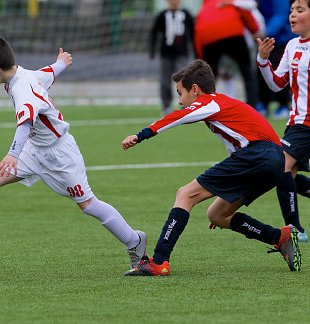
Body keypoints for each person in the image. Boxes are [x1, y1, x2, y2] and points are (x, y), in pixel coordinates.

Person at [0, 36, 147, 270]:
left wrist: (13, 154)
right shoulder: (25, 75)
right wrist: (61, 62)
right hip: (35, 149)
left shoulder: (22, 90)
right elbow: (49, 73)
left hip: (60, 156)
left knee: (88, 205)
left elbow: (25, 124)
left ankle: (134, 241)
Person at [121, 59, 301, 276]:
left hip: (259, 155)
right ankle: (278, 237)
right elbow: (238, 147)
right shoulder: (224, 106)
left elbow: (179, 116)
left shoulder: (209, 101)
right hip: (274, 160)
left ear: (195, 90)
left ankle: (159, 262)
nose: (180, 101)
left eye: (180, 93)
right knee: (217, 214)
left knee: (185, 194)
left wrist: (141, 135)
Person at [257, 0, 310, 242]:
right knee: (285, 170)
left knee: (283, 168)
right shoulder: (290, 46)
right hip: (297, 124)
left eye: (300, 10)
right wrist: (263, 61)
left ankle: (294, 230)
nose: (293, 15)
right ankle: (295, 229)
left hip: (305, 125)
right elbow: (276, 84)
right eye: (291, 11)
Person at [194, 0, 260, 107]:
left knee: (209, 75)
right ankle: (253, 105)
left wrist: (201, 58)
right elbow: (246, 15)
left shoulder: (205, 6)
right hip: (233, 33)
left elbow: (198, 30)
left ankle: (202, 105)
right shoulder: (231, 2)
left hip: (208, 37)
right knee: (247, 71)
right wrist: (254, 30)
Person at [148, 0, 194, 115]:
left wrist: (196, 49)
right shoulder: (162, 15)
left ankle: (185, 104)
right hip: (166, 53)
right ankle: (166, 105)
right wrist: (152, 50)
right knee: (165, 81)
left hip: (182, 52)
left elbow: (193, 32)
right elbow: (154, 32)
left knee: (184, 79)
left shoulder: (186, 14)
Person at [255, 0, 294, 119]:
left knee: (280, 70)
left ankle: (283, 105)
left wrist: (265, 32)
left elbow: (281, 14)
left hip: (282, 38)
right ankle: (263, 104)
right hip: (266, 37)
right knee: (260, 70)